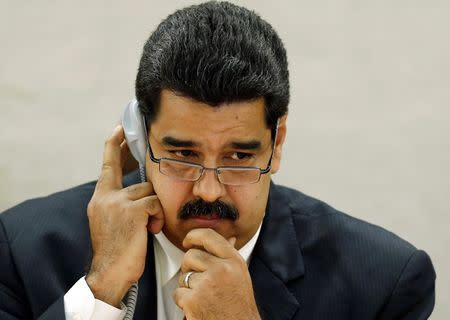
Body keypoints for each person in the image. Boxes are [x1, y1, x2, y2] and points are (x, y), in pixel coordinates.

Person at [0, 1, 436, 320]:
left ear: (277, 142)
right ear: (138, 137)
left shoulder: (384, 284)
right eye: (183, 155)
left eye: (239, 157)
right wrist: (100, 293)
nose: (208, 189)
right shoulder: (22, 249)